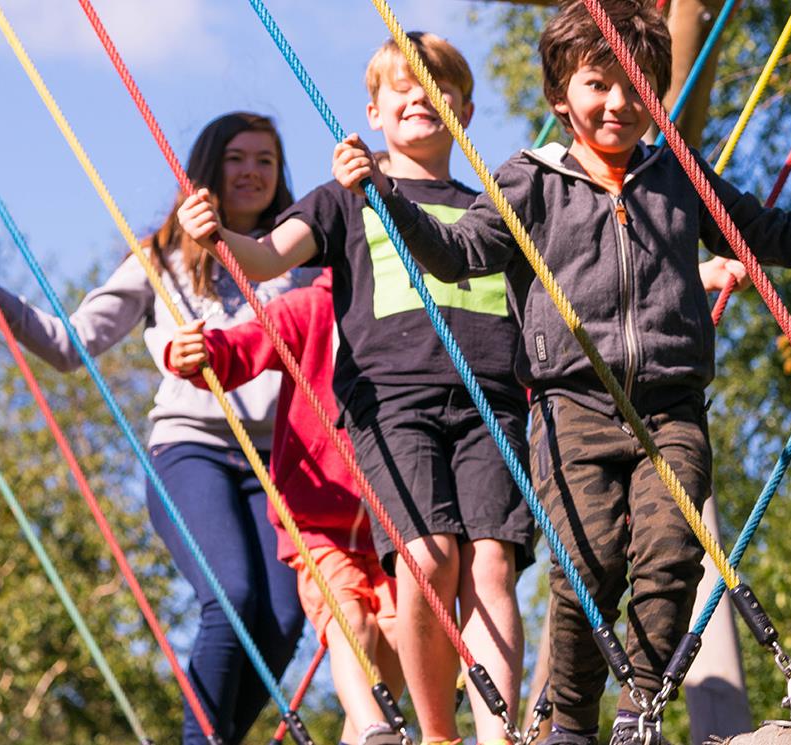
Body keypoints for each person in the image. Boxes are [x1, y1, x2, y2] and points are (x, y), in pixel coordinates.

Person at [333, 3, 791, 743]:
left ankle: (640, 710)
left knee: (670, 558)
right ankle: (570, 720)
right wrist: (386, 196)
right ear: (561, 96)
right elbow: (456, 253)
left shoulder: (678, 177)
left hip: (669, 406)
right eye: (598, 84)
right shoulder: (530, 181)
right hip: (572, 409)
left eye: (635, 86)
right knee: (585, 572)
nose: (618, 103)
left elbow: (774, 234)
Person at [177, 34, 529, 745]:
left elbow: (554, 293)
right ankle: (436, 733)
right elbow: (268, 253)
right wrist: (218, 233)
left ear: (463, 107)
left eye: (437, 86)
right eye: (401, 87)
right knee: (428, 558)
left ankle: (500, 734)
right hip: (392, 401)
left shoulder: (495, 207)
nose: (419, 96)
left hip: (490, 400)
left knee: (490, 563)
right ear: (374, 112)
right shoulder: (348, 198)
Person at [0, 111, 309, 745]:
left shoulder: (299, 263)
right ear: (208, 170)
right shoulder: (161, 261)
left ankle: (214, 737)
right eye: (237, 158)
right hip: (192, 450)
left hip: (275, 461)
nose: (251, 172)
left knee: (283, 619)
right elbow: (68, 344)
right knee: (231, 596)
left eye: (265, 161)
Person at [168, 271, 407, 745]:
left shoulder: (411, 311)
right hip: (319, 522)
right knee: (350, 620)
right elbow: (243, 345)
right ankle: (378, 729)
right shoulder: (312, 309)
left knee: (402, 636)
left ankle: (363, 735)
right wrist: (197, 355)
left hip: (392, 522)